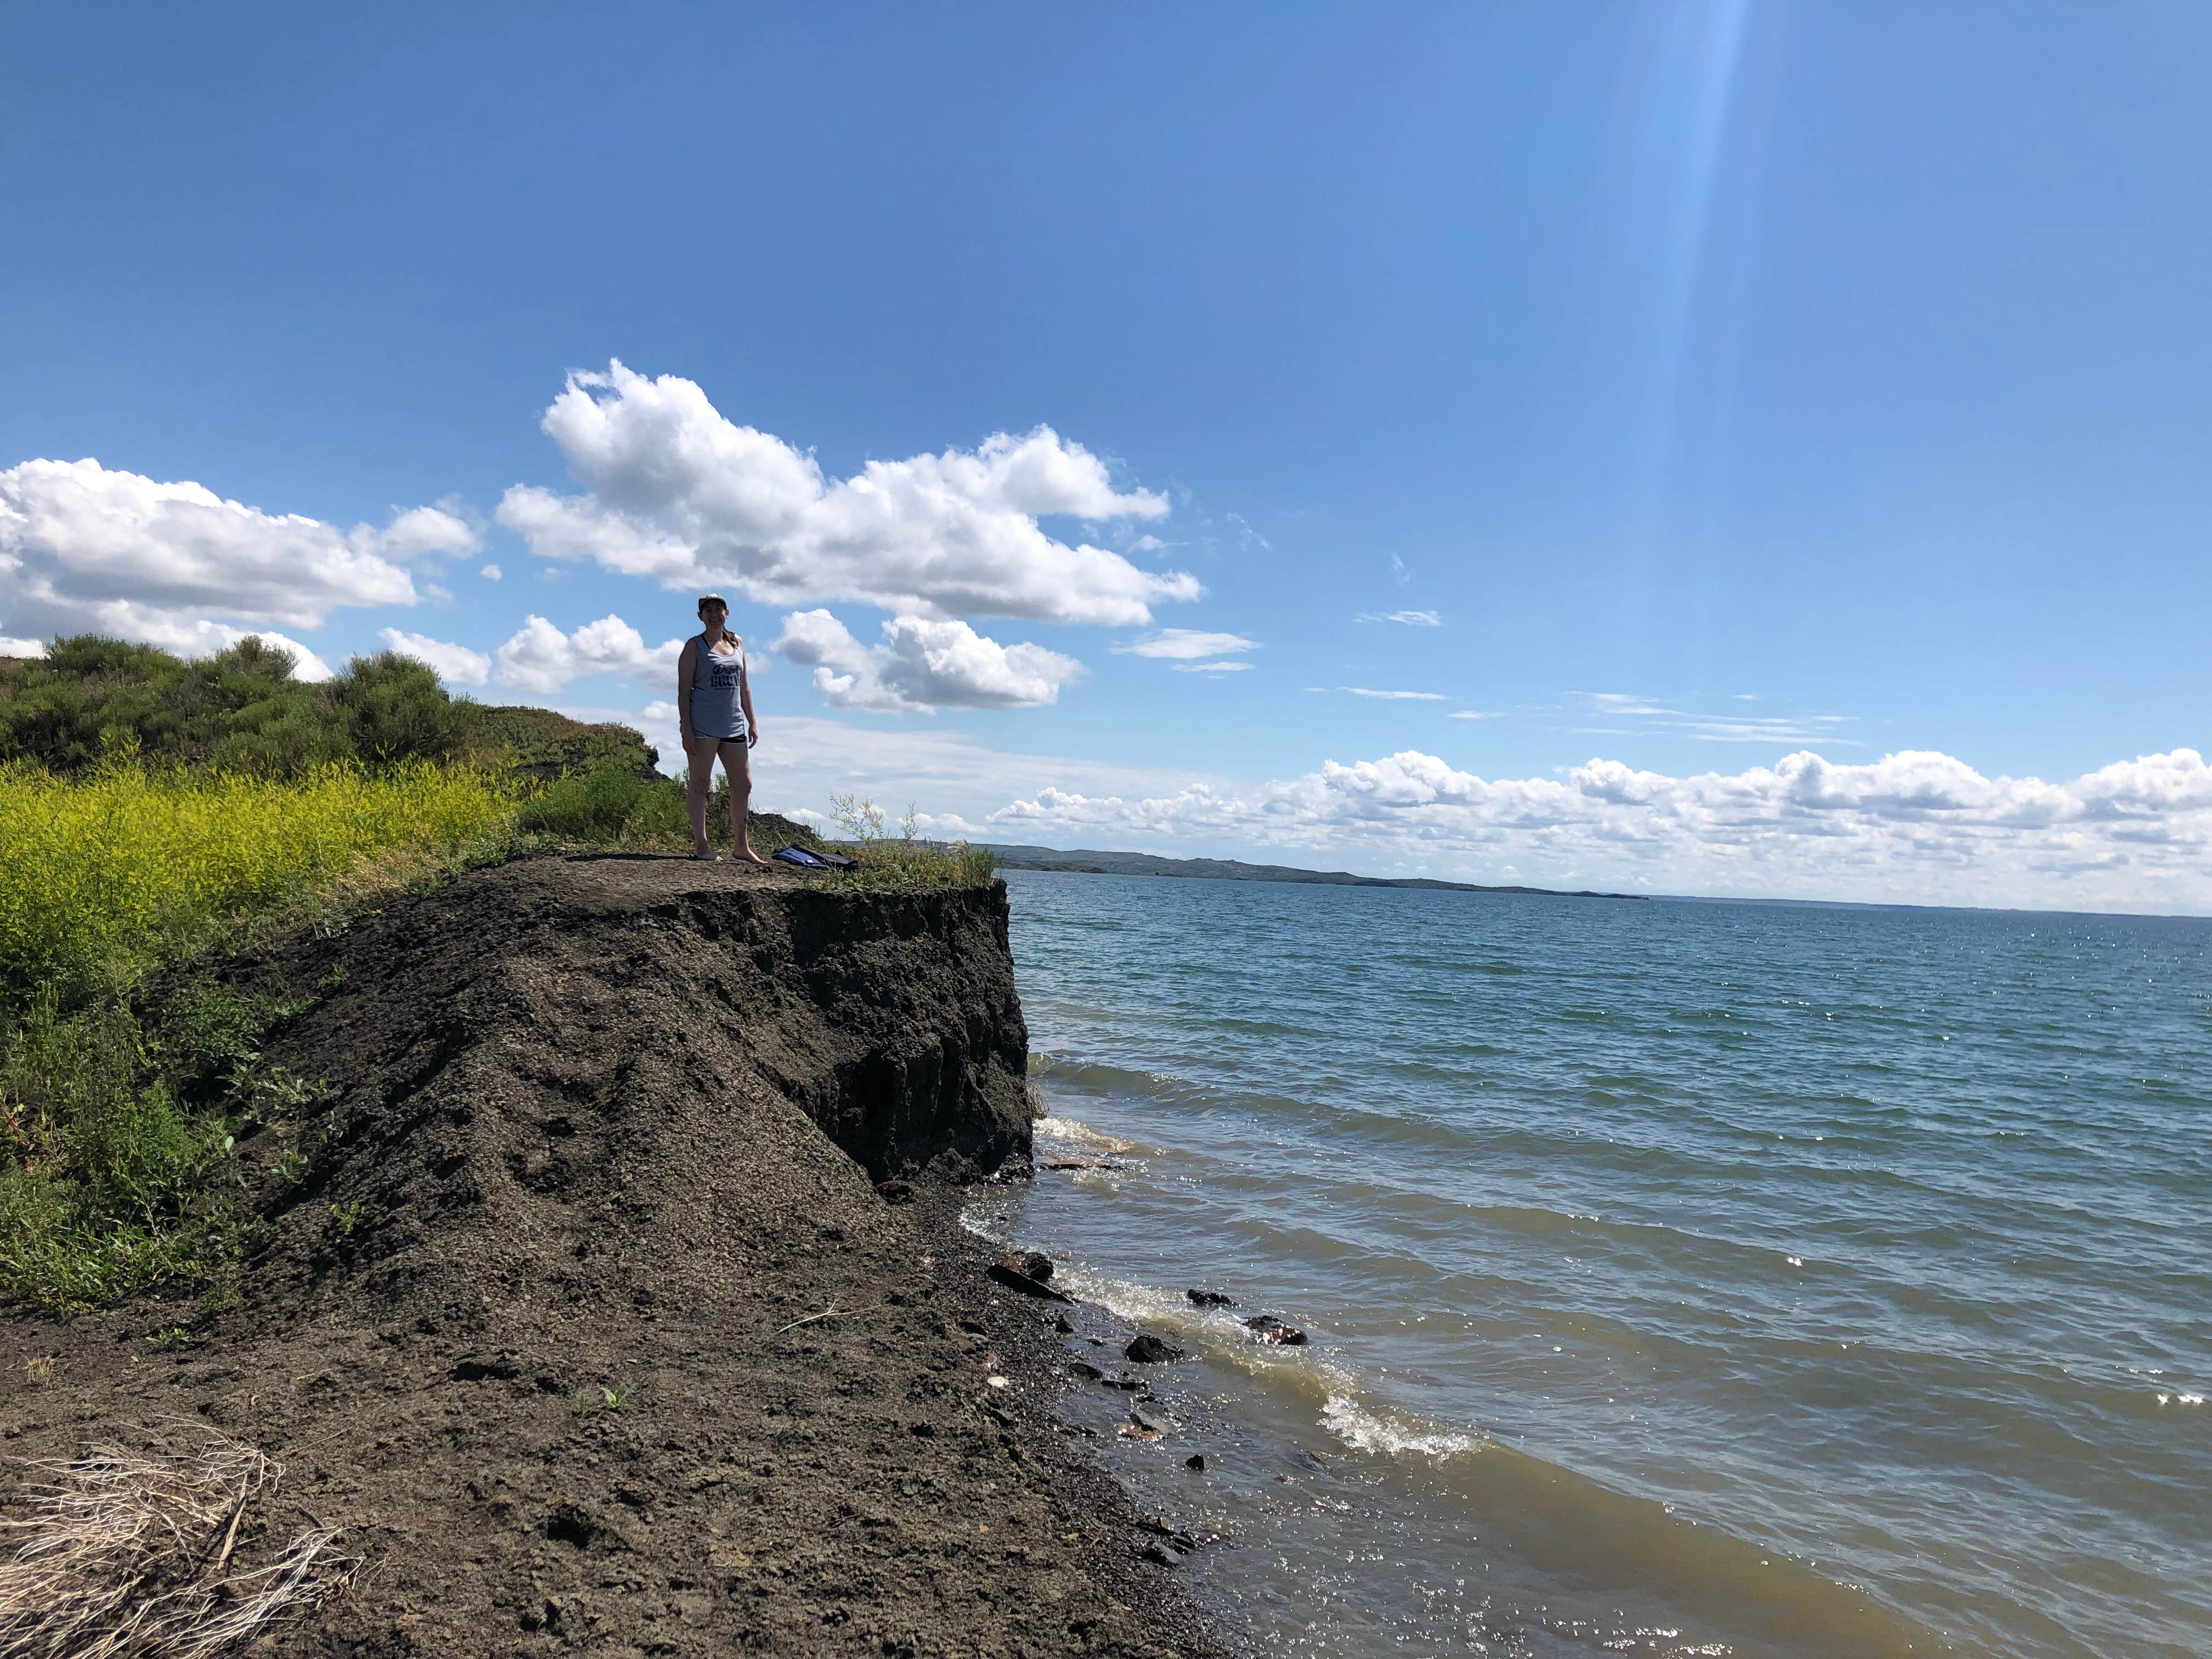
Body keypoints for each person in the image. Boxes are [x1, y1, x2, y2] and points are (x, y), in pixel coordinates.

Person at [676, 594, 766, 864]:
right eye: (708, 610)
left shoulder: (737, 642)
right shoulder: (694, 647)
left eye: (718, 609)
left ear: (727, 613)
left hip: (734, 725)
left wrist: (752, 720)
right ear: (700, 616)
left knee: (743, 784)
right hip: (703, 727)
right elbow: (683, 691)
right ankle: (702, 846)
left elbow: (744, 685)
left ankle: (742, 846)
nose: (714, 614)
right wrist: (687, 729)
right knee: (700, 783)